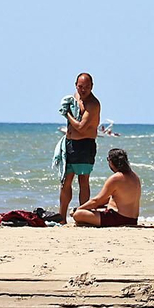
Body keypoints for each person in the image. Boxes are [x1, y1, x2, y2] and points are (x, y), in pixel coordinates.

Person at [56, 73, 101, 221]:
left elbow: (81, 127)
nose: (83, 90)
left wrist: (67, 114)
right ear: (76, 85)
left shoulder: (93, 104)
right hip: (69, 144)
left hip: (84, 145)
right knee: (65, 181)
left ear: (92, 87)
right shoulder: (74, 97)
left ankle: (83, 215)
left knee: (83, 181)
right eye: (81, 87)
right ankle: (62, 217)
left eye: (87, 87)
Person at [72, 148, 142, 227]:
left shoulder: (115, 178)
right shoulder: (134, 176)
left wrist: (79, 209)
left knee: (78, 214)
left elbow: (96, 201)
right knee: (95, 210)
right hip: (132, 220)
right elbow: (110, 199)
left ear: (111, 162)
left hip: (119, 219)